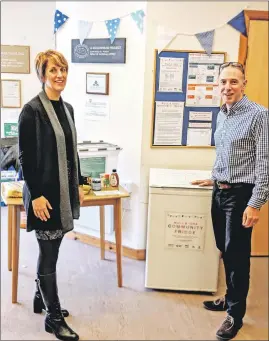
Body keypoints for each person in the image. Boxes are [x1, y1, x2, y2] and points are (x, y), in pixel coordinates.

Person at [191, 62, 268, 341]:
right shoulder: (222, 113)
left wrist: (255, 203)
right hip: (219, 191)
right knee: (223, 248)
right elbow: (226, 155)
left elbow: (265, 163)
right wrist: (212, 179)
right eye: (223, 82)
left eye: (234, 82)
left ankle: (235, 314)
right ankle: (230, 297)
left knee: (237, 256)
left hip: (241, 196)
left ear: (244, 83)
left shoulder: (259, 115)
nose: (227, 87)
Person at [18, 49, 85, 341]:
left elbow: (71, 153)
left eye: (63, 70)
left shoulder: (67, 108)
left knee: (54, 249)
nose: (59, 76)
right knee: (48, 253)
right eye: (53, 70)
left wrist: (79, 181)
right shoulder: (31, 110)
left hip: (63, 192)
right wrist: (36, 196)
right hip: (43, 195)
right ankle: (53, 317)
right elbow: (25, 157)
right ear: (42, 75)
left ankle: (39, 296)